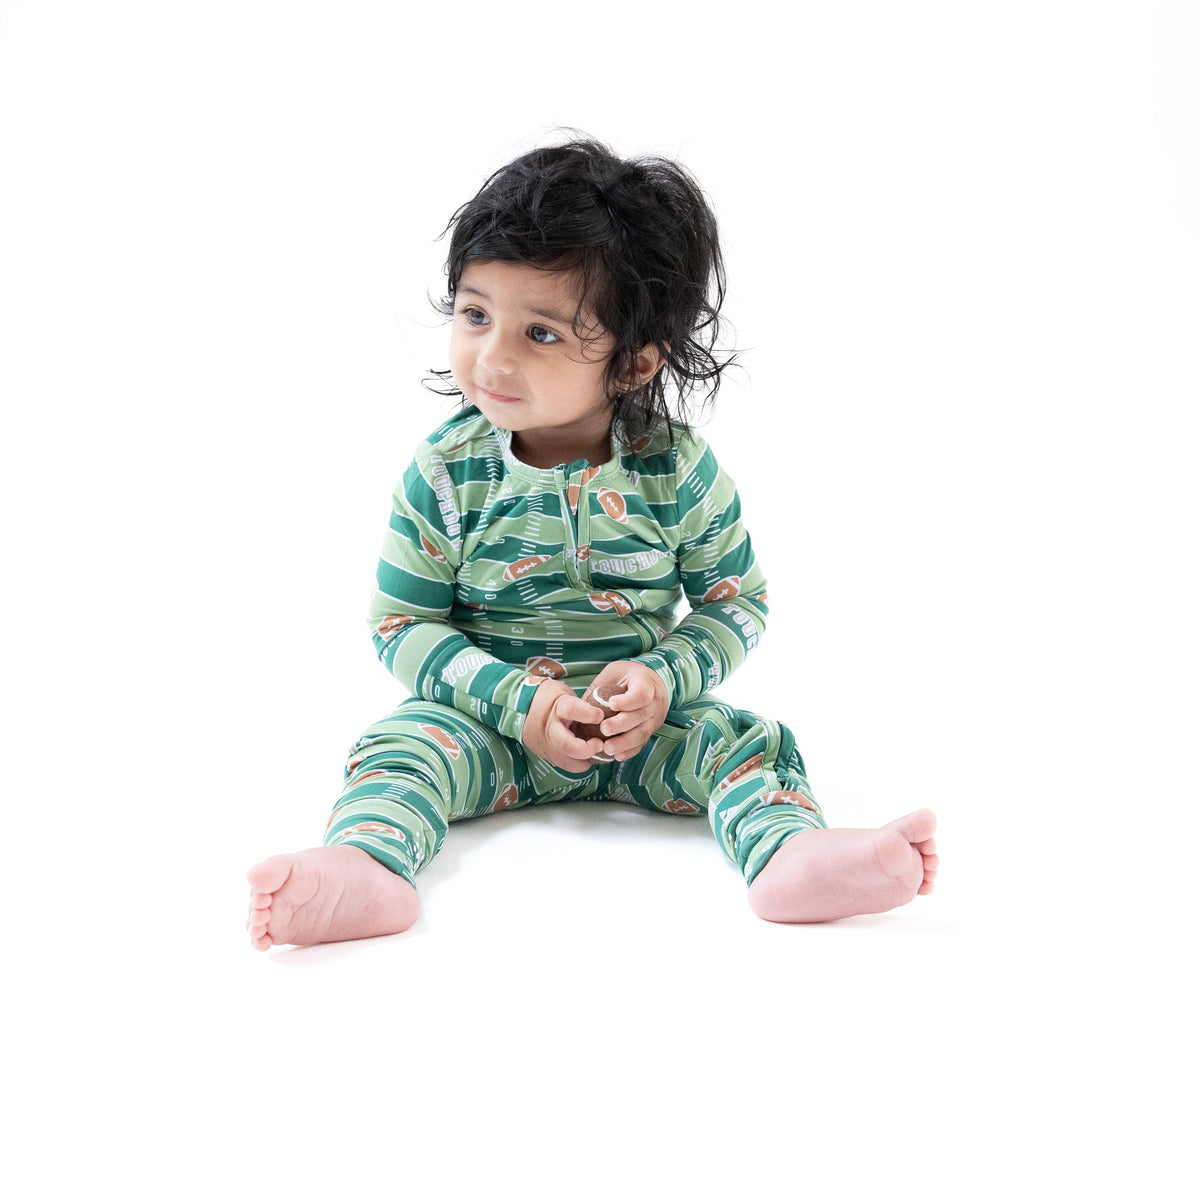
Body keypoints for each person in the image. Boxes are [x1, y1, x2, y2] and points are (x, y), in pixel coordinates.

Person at [246, 137, 938, 950]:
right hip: (485, 730)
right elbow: (402, 624)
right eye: (476, 315)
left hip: (640, 731)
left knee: (741, 743)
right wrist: (518, 702)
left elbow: (737, 603)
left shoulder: (676, 470)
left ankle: (790, 854)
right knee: (399, 750)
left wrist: (663, 679)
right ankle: (366, 868)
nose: (491, 356)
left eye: (540, 334)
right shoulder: (445, 472)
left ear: (634, 363)